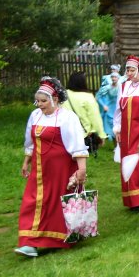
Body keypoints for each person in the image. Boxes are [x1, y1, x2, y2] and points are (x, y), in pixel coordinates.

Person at [16, 77, 89, 258]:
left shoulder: (67, 118)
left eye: (43, 101)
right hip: (40, 170)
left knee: (57, 203)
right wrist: (26, 161)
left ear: (55, 99)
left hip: (61, 169)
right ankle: (29, 242)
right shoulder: (35, 116)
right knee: (32, 202)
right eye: (38, 101)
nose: (40, 105)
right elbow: (30, 140)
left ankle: (60, 237)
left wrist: (81, 170)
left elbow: (77, 146)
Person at [113, 55, 139, 211]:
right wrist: (117, 128)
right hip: (126, 131)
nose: (129, 73)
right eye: (127, 70)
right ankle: (132, 199)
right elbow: (118, 109)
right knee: (127, 161)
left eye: (132, 70)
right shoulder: (123, 87)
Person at [65, 71, 107, 158]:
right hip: (82, 135)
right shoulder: (87, 97)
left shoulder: (64, 94)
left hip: (64, 133)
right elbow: (95, 118)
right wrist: (101, 135)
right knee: (80, 164)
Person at [96, 72, 120, 145]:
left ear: (118, 78)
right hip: (109, 111)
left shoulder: (121, 87)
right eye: (112, 77)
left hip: (118, 110)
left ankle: (118, 146)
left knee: (118, 128)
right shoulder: (107, 88)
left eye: (115, 77)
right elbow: (98, 97)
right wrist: (103, 105)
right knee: (112, 129)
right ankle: (116, 146)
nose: (114, 78)